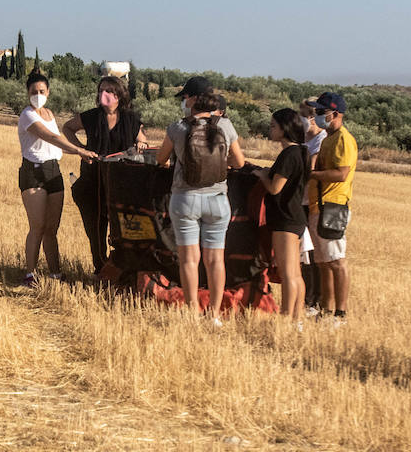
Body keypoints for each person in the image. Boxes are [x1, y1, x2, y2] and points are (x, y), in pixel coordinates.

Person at [156, 80, 245, 324]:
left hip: (185, 199)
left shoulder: (177, 128)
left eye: (185, 98)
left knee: (189, 259)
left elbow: (161, 158)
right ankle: (215, 314)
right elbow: (239, 162)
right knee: (215, 259)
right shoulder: (225, 125)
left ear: (193, 100)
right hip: (217, 199)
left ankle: (193, 311)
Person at [17, 72, 97, 287]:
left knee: (52, 228)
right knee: (38, 226)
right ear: (27, 93)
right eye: (34, 92)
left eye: (42, 91)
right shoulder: (27, 115)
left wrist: (85, 152)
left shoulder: (50, 114)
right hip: (33, 172)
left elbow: (57, 144)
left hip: (53, 171)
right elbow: (50, 137)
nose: (38, 95)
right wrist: (80, 150)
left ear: (48, 92)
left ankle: (55, 274)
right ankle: (30, 275)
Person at [63, 75, 148, 272]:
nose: (105, 94)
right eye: (102, 90)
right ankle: (101, 269)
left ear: (120, 94)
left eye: (109, 90)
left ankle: (123, 270)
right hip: (93, 180)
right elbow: (67, 128)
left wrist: (141, 144)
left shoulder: (131, 119)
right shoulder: (91, 116)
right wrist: (80, 149)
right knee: (96, 229)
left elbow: (142, 140)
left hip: (122, 183)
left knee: (124, 229)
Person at [251, 109, 309, 321]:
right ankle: (298, 317)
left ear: (284, 129)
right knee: (295, 273)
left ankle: (286, 316)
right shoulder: (301, 152)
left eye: (273, 126)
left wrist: (262, 175)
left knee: (287, 274)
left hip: (285, 219)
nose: (270, 129)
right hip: (295, 218)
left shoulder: (288, 154)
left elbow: (275, 188)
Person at [308, 91, 358, 320]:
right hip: (319, 205)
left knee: (336, 262)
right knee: (323, 263)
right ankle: (325, 310)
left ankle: (340, 313)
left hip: (332, 206)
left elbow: (341, 174)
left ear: (335, 114)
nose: (316, 115)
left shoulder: (343, 140)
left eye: (320, 112)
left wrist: (312, 174)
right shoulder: (329, 138)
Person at [298, 100, 327, 312]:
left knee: (314, 255)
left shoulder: (321, 139)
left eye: (303, 114)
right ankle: (306, 297)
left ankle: (315, 299)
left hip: (312, 202)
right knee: (303, 254)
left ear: (312, 117)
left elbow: (310, 166)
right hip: (299, 200)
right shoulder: (303, 138)